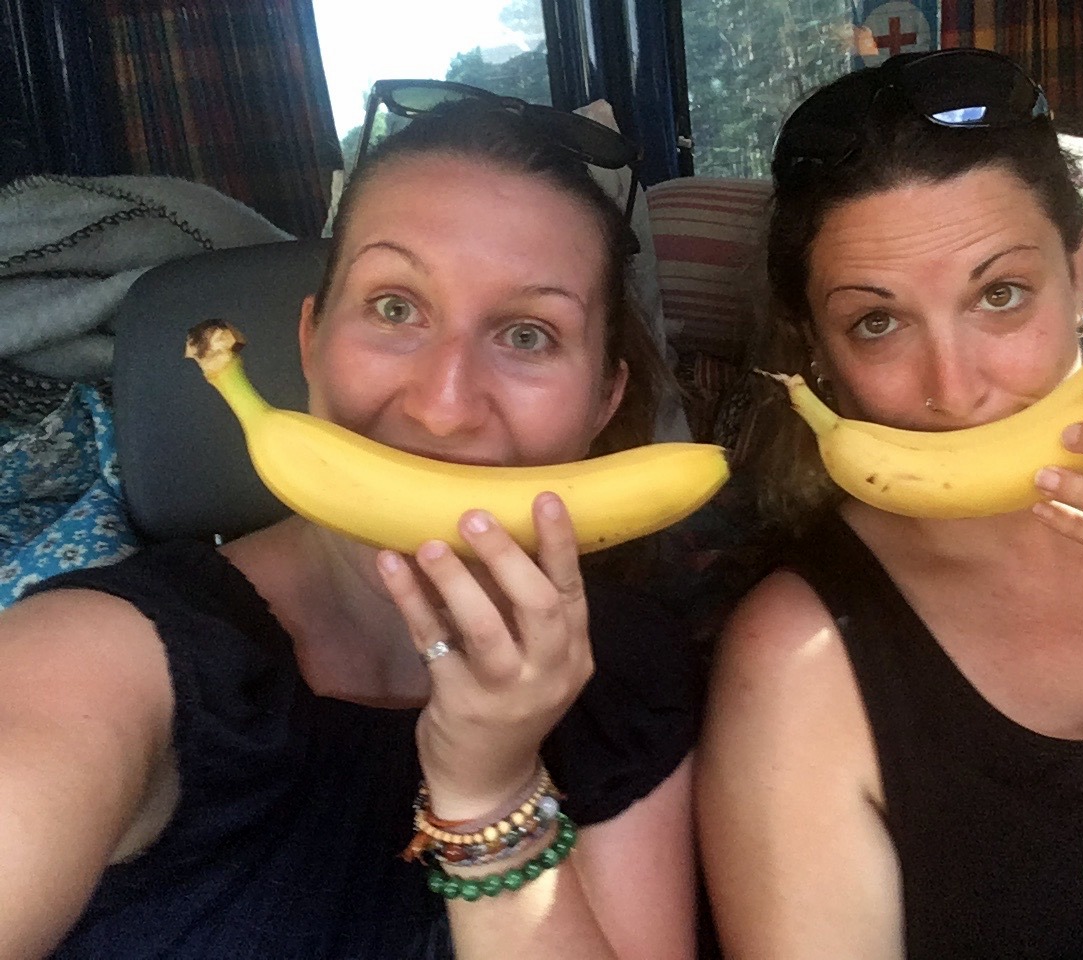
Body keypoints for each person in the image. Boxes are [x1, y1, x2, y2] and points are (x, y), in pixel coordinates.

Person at [0, 95, 698, 960]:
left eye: (528, 335)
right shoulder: (98, 659)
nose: (445, 407)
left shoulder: (633, 667)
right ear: (310, 340)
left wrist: (491, 797)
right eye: (396, 308)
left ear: (604, 401)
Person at [697, 49, 1083, 959]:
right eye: (878, 323)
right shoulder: (797, 660)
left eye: (1000, 295)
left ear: (1080, 276)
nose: (956, 388)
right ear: (817, 350)